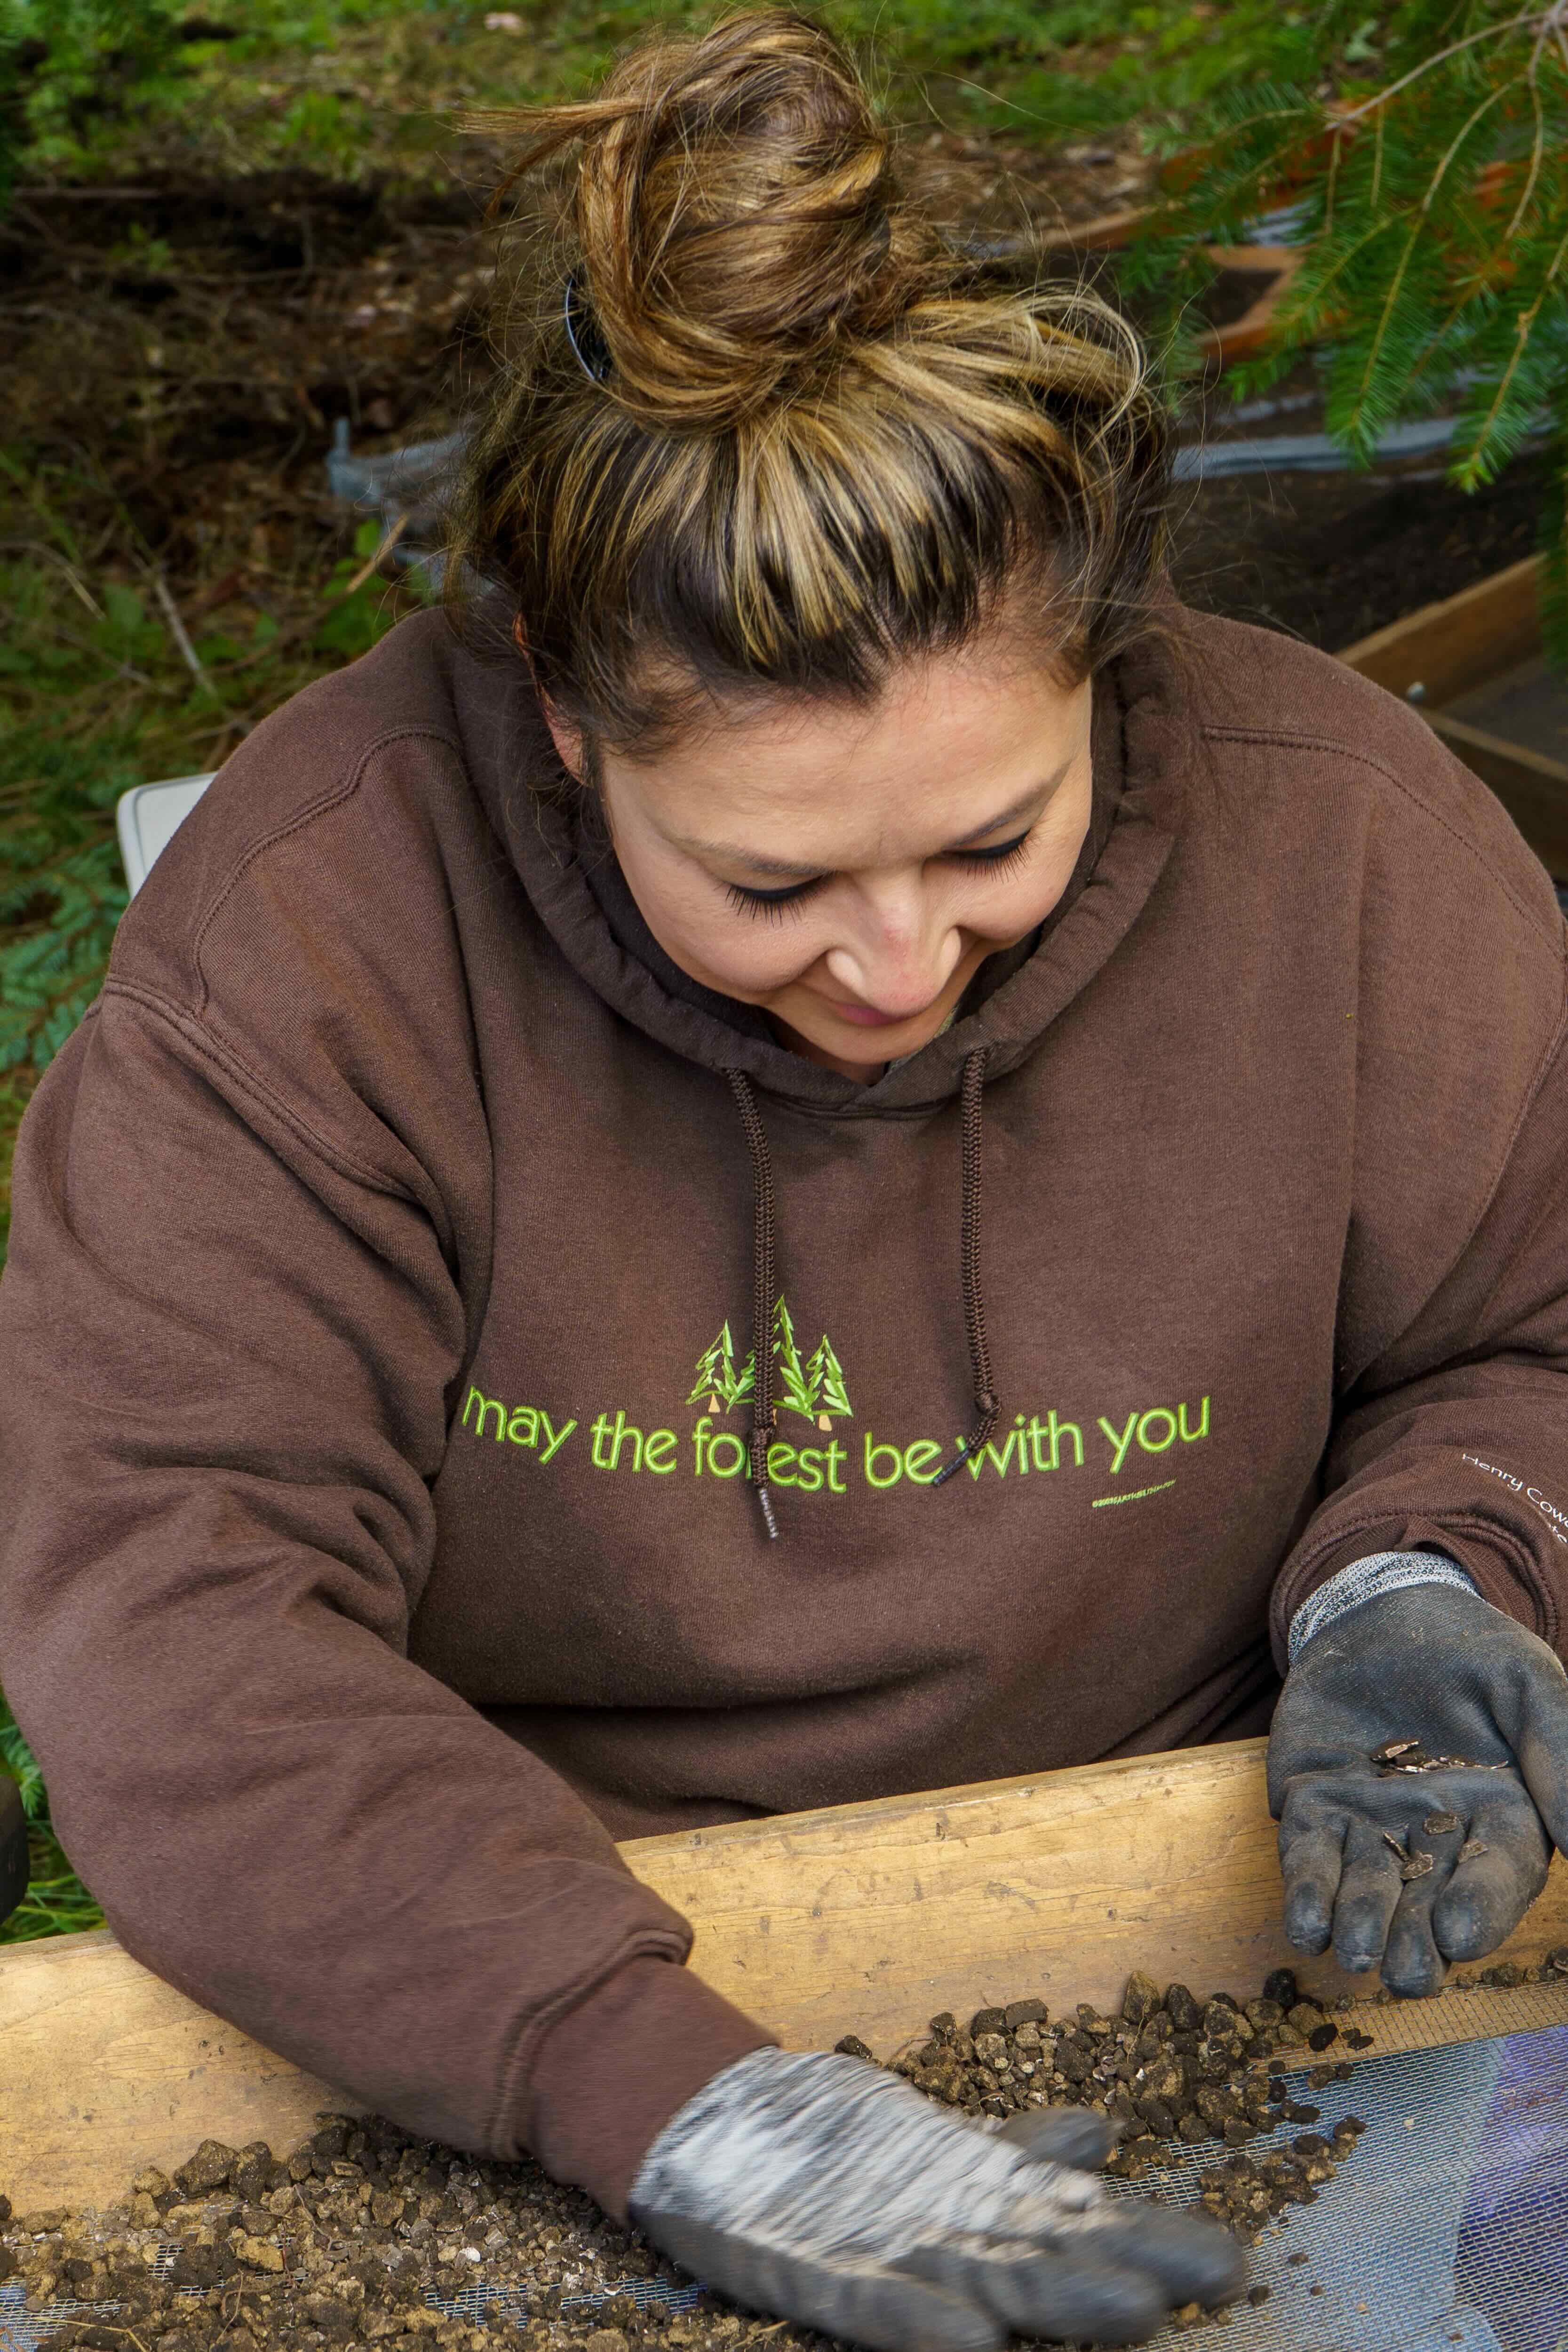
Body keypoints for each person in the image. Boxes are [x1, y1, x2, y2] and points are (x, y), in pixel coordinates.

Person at [2, 11, 1568, 2345]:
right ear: (560, 711)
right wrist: (682, 2096)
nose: (897, 962)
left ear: (1110, 676)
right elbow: (178, 1617)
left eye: (990, 841)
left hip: (1219, 1900)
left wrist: (1434, 1572)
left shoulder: (1345, 844)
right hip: (532, 1987)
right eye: (768, 880)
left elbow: (1522, 1330)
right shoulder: (321, 937)